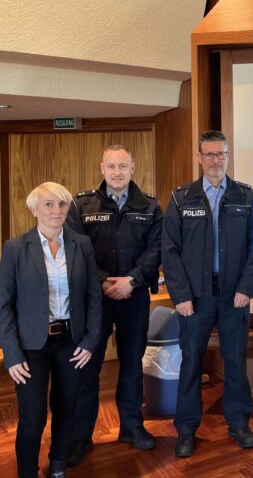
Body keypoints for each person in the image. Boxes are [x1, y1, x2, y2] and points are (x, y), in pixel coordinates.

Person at [162, 130, 253, 458]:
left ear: (228, 156)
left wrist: (246, 289)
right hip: (195, 299)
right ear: (199, 158)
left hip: (234, 297)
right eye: (209, 154)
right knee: (191, 363)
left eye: (220, 154)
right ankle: (187, 429)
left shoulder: (245, 197)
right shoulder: (182, 198)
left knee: (235, 362)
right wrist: (180, 296)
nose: (215, 161)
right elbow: (170, 251)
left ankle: (238, 423)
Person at [66, 145, 163, 465]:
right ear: (102, 168)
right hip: (94, 299)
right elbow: (75, 250)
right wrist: (105, 281)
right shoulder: (82, 205)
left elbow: (156, 249)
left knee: (132, 364)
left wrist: (131, 281)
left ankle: (132, 428)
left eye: (123, 166)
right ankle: (81, 437)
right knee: (87, 366)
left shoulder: (149, 205)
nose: (117, 172)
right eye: (111, 166)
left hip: (134, 297)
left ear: (133, 168)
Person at [0, 182, 102, 478]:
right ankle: (27, 472)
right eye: (48, 204)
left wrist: (91, 339)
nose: (56, 211)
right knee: (32, 417)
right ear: (34, 210)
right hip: (30, 347)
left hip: (71, 341)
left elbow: (93, 295)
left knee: (67, 405)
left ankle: (58, 464)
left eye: (61, 204)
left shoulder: (80, 244)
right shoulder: (16, 248)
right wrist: (12, 354)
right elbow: (4, 304)